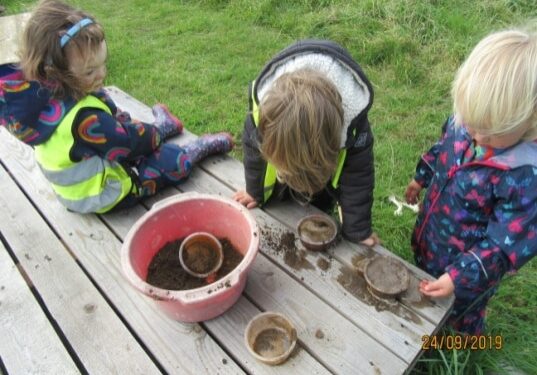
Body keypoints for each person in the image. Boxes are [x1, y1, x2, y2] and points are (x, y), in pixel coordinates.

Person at [0, 0, 233, 214]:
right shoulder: (84, 120)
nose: (102, 73)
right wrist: (154, 137)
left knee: (109, 108)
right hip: (103, 191)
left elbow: (112, 124)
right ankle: (194, 150)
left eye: (103, 63)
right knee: (168, 161)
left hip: (87, 169)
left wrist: (127, 124)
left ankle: (162, 128)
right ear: (56, 72)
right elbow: (129, 144)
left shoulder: (44, 93)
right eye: (90, 71)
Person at [405, 28, 537, 335]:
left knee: (459, 317)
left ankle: (460, 345)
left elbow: (502, 248)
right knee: (424, 283)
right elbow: (443, 149)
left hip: (469, 272)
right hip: (433, 240)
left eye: (489, 133)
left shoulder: (523, 177)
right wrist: (420, 176)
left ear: (529, 122)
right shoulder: (466, 120)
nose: (475, 135)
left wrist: (459, 277)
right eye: (469, 123)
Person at [233, 40, 378, 246]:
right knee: (282, 190)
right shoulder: (264, 112)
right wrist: (254, 191)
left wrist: (358, 230)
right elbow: (254, 153)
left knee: (321, 197)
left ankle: (320, 196)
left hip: (326, 146)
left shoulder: (353, 127)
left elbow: (358, 176)